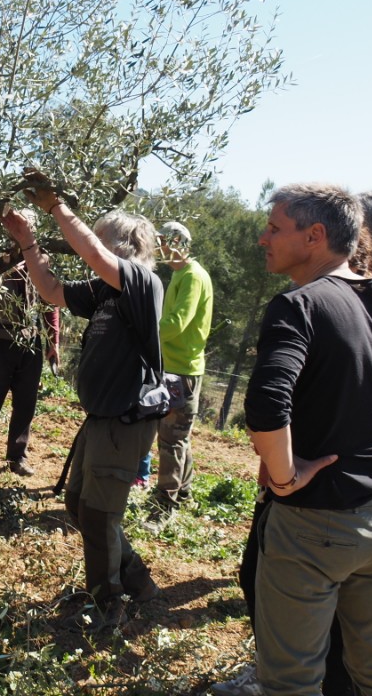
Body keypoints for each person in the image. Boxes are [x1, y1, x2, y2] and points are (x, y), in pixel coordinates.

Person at [243, 183, 372, 696]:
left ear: (315, 236)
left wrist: (287, 477)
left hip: (314, 525)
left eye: (274, 228)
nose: (262, 239)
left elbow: (267, 406)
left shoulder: (298, 306)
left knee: (292, 679)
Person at [0, 170, 163, 628]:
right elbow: (51, 292)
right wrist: (29, 242)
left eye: (101, 238)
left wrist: (56, 207)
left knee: (98, 514)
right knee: (79, 504)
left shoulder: (141, 284)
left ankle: (108, 604)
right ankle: (134, 578)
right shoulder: (107, 291)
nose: (89, 245)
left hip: (124, 420)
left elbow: (92, 251)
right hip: (101, 418)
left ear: (121, 246)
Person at [0, 208, 60, 477]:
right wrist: (2, 271)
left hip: (30, 342)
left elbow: (49, 302)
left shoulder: (41, 259)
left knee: (26, 403)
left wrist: (53, 342)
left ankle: (17, 457)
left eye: (28, 225)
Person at [146, 221, 214, 523]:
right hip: (178, 366)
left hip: (180, 369)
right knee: (178, 438)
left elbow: (176, 323)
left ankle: (164, 507)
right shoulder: (182, 274)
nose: (159, 248)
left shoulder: (191, 277)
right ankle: (182, 493)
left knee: (170, 440)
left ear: (175, 244)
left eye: (162, 243)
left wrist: (143, 331)